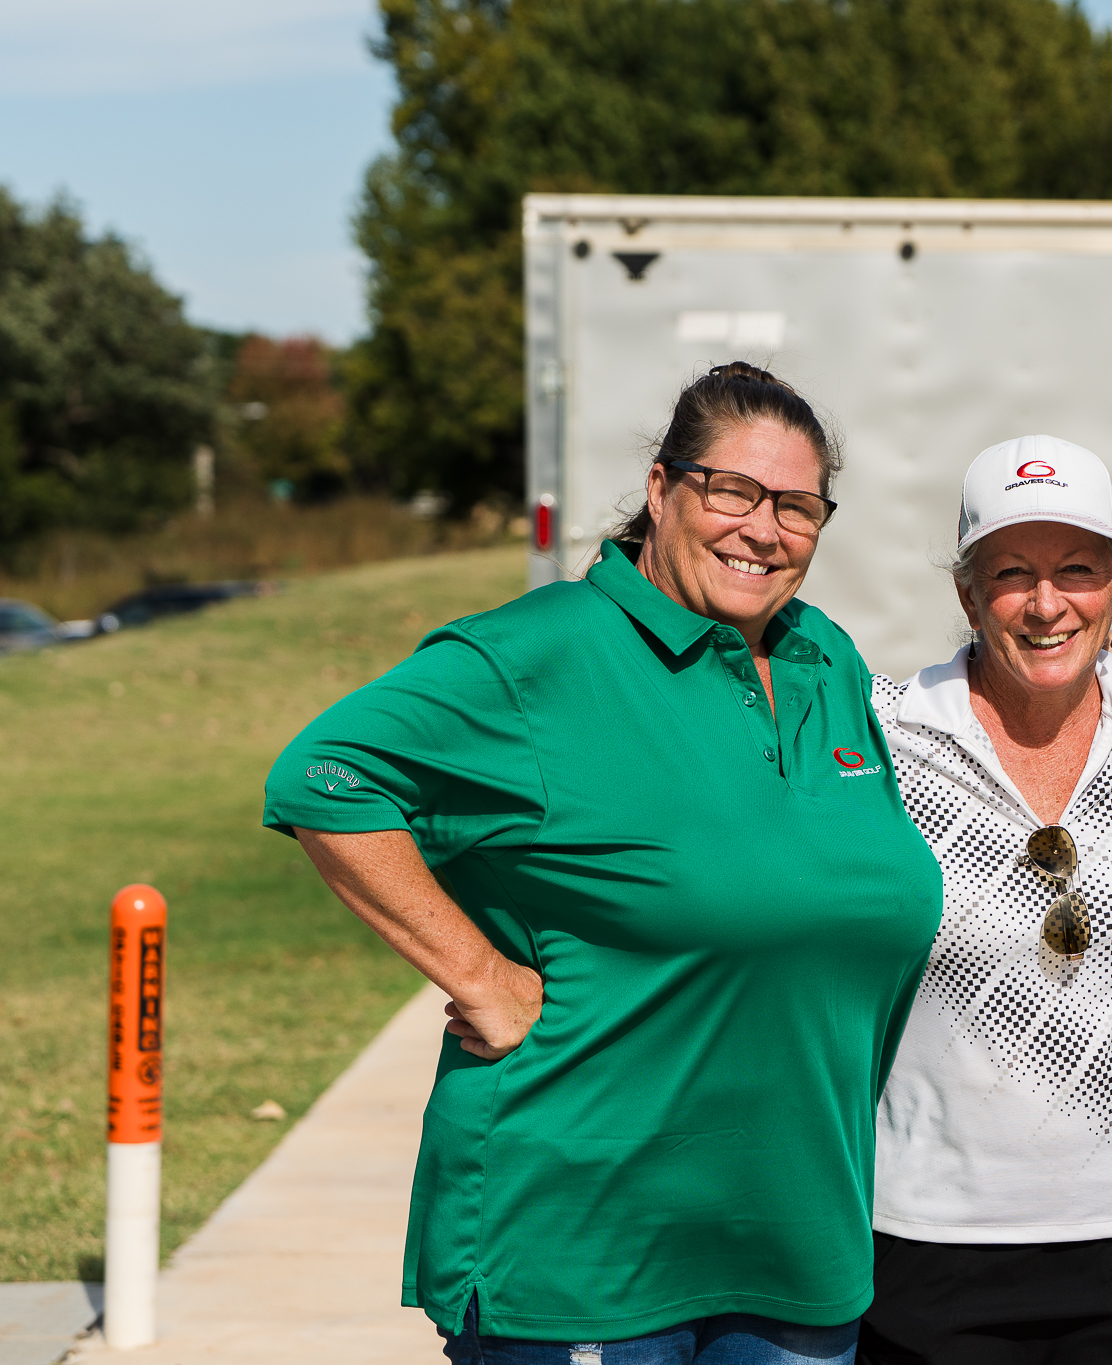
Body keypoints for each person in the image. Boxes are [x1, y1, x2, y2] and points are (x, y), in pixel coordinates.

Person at [261, 362, 944, 1365]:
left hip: (795, 1248)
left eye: (797, 507)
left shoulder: (823, 656)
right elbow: (323, 777)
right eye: (733, 491)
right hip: (582, 1255)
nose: (764, 529)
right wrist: (478, 975)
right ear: (662, 489)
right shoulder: (537, 655)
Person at [858, 436, 1112, 1365]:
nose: (1048, 603)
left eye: (1078, 570)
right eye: (1012, 572)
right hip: (928, 1239)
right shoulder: (883, 736)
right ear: (967, 593)